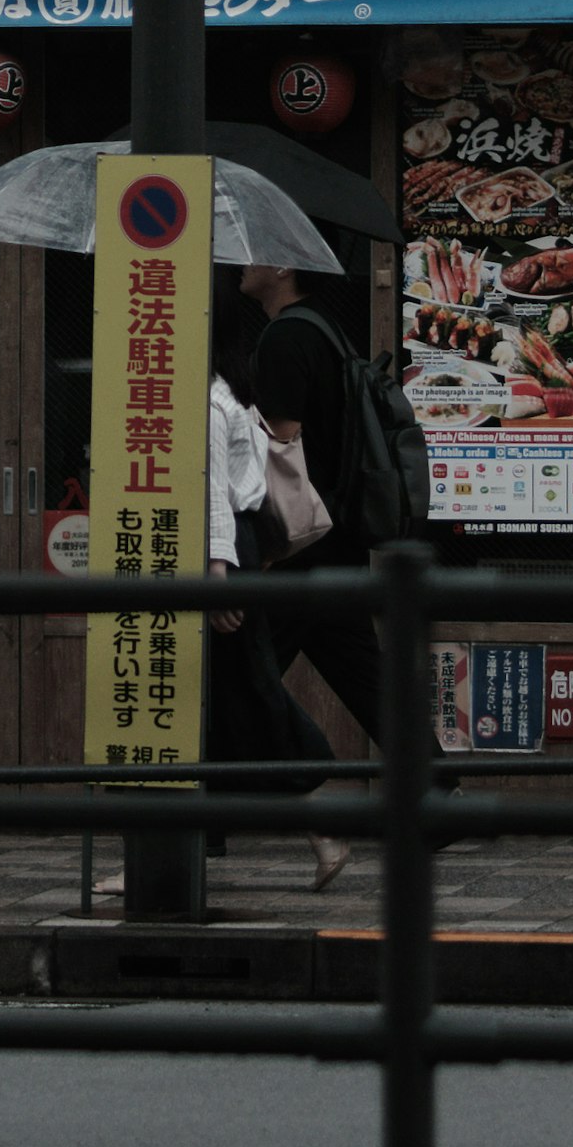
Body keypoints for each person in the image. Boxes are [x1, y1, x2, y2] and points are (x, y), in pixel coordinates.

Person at [238, 261, 454, 810]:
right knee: (361, 674)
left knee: (238, 676)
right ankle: (438, 794)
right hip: (332, 534)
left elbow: (279, 444)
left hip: (299, 542)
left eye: (255, 253)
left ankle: (209, 816)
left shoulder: (287, 336)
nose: (242, 264)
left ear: (283, 267)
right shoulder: (324, 329)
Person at [204, 362, 346, 891]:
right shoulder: (230, 391)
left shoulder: (209, 398)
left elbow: (215, 491)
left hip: (216, 558)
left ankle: (321, 821)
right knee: (220, 693)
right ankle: (176, 844)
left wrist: (216, 577)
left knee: (249, 688)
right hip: (223, 553)